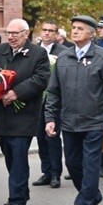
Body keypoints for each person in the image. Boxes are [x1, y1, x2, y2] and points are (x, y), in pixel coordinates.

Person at [44, 15, 103, 205]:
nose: (75, 31)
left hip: (94, 121)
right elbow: (54, 91)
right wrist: (50, 117)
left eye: (80, 28)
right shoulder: (64, 57)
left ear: (91, 33)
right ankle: (92, 194)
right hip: (69, 121)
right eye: (73, 27)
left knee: (90, 165)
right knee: (72, 164)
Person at [0, 19, 50, 205]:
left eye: (15, 33)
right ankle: (22, 191)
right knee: (9, 155)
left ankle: (17, 199)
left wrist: (17, 92)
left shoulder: (38, 53)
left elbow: (41, 79)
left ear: (26, 34)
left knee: (19, 155)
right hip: (3, 114)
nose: (10, 37)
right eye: (8, 33)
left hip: (24, 114)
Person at [34, 20, 66, 188]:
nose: (46, 33)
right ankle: (46, 171)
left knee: (51, 137)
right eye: (44, 30)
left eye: (51, 31)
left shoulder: (63, 52)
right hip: (37, 100)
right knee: (40, 136)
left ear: (56, 34)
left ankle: (55, 173)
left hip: (54, 102)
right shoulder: (34, 50)